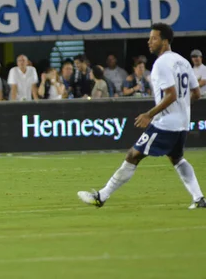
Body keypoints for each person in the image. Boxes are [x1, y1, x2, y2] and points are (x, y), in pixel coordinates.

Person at [78, 23, 205, 209]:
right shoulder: (183, 61)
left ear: (165, 41)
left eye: (154, 38)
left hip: (165, 123)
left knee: (133, 155)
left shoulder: (161, 64)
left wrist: (149, 114)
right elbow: (196, 94)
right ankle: (199, 198)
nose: (149, 41)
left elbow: (171, 94)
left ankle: (101, 196)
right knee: (177, 158)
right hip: (182, 123)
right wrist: (181, 108)